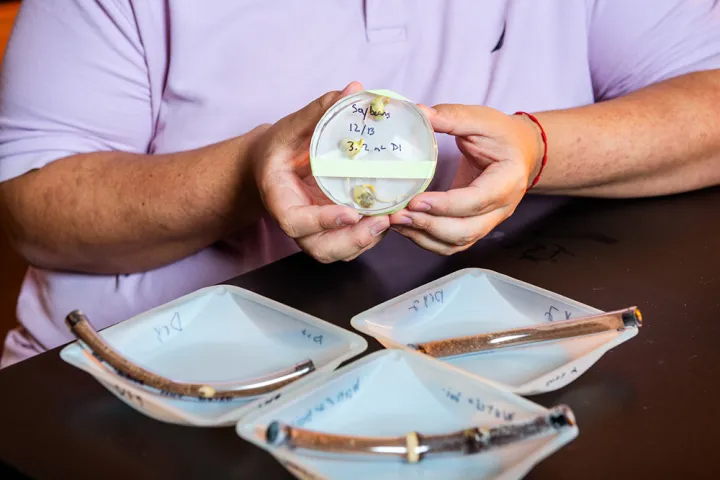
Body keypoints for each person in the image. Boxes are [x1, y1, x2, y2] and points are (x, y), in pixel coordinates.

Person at [1, 0, 719, 368]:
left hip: (490, 368)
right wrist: (250, 174)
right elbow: (34, 208)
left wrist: (538, 148)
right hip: (153, 390)